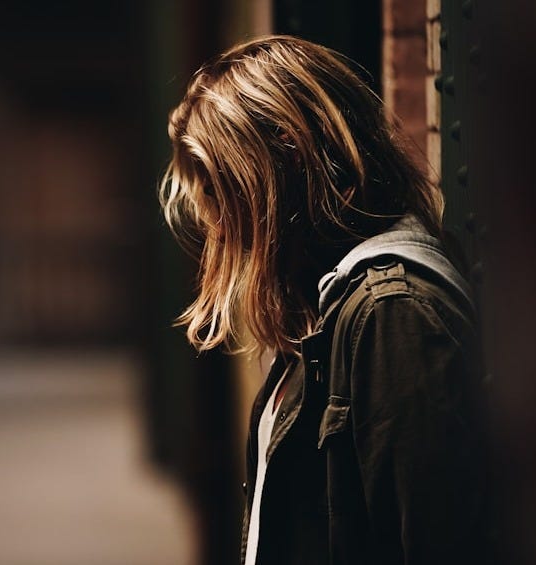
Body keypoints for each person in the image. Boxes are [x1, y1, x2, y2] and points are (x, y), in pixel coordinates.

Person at [159, 36, 495, 565]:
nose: (215, 223)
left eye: (223, 192)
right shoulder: (325, 309)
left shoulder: (392, 314)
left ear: (280, 169)